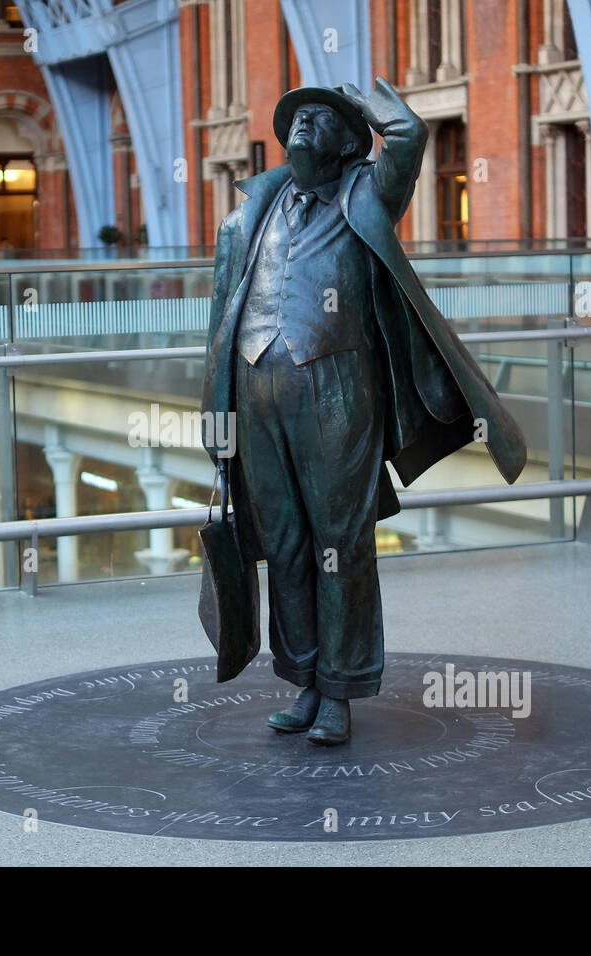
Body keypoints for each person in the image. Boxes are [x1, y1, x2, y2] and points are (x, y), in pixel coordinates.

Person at [200, 78, 526, 745]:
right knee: (286, 545)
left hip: (338, 394)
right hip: (256, 395)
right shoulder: (249, 217)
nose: (305, 127)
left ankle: (341, 692)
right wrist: (215, 411)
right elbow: (219, 325)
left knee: (338, 546)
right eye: (299, 118)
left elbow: (407, 138)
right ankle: (304, 681)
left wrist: (371, 106)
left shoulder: (366, 195)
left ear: (350, 145)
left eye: (323, 120)